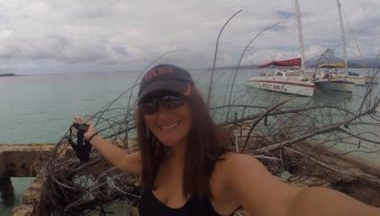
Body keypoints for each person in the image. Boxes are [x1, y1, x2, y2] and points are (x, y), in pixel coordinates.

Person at [74, 63, 380, 216]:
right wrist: (93, 134)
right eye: (151, 106)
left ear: (192, 101)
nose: (162, 114)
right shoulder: (152, 161)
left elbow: (293, 203)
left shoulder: (228, 169)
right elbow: (123, 159)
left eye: (171, 100)